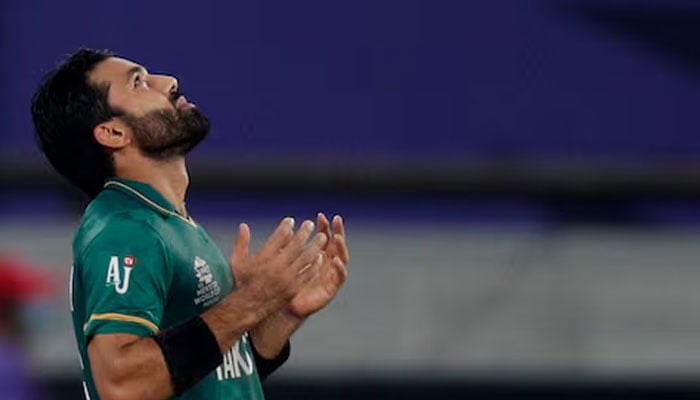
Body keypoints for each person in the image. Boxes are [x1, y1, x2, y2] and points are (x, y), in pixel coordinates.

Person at [30, 49, 350, 400]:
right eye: (139, 82)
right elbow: (123, 386)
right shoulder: (127, 229)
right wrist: (251, 301)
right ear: (113, 132)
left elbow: (207, 378)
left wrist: (280, 313)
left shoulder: (166, 222)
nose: (168, 82)